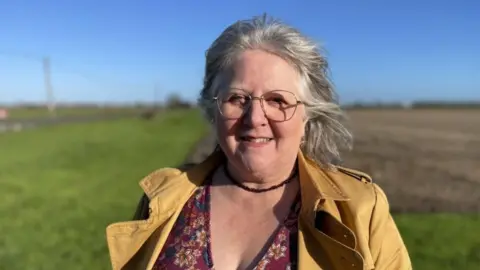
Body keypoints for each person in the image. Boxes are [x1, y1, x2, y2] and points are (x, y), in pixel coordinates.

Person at [106, 14, 412, 270]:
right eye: (237, 98)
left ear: (308, 115)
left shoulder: (361, 210)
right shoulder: (162, 201)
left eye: (277, 100)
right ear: (213, 110)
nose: (255, 118)